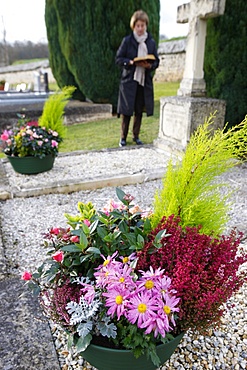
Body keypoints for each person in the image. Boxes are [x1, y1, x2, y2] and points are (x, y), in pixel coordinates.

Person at [115, 9, 160, 147]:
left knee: (139, 110)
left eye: (142, 25)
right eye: (137, 26)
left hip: (143, 82)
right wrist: (130, 62)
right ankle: (123, 137)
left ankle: (136, 136)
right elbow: (118, 58)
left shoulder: (150, 42)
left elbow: (156, 61)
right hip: (129, 81)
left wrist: (149, 65)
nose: (140, 28)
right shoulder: (127, 41)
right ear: (133, 26)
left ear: (146, 25)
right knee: (127, 111)